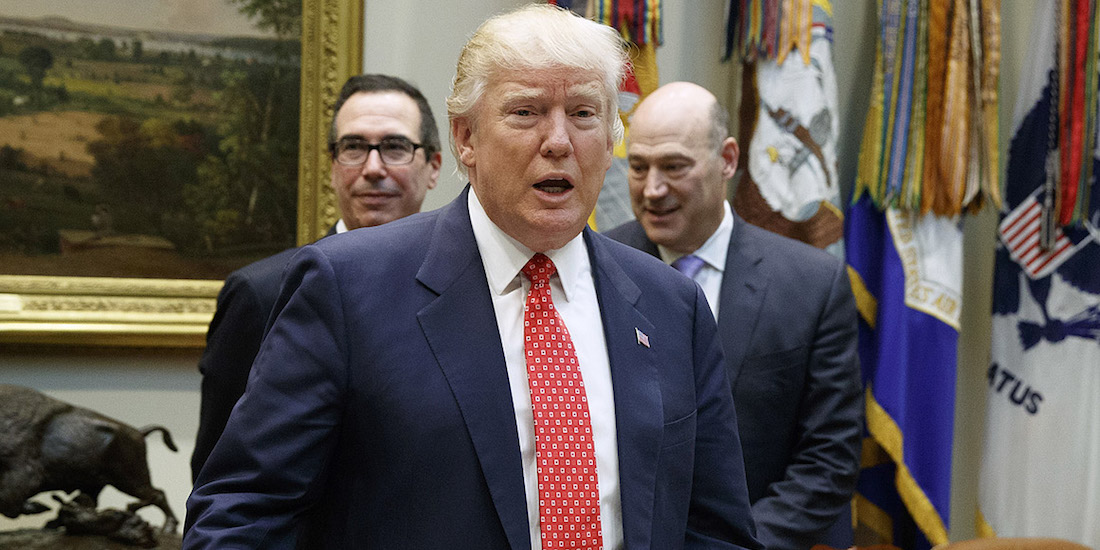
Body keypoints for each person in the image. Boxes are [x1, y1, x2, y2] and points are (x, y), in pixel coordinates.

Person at [184, 6, 763, 549]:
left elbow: (715, 528)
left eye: (585, 113)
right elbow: (243, 513)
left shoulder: (672, 306)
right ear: (465, 138)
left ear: (612, 134)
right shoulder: (345, 286)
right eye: (526, 112)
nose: (558, 141)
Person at [606, 81, 862, 550]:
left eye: (674, 166)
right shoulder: (599, 265)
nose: (652, 189)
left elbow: (829, 460)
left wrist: (735, 545)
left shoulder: (812, 285)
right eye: (638, 167)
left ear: (727, 159)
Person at [189, 73, 442, 481]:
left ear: (433, 166)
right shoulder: (263, 294)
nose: (373, 168)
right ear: (332, 166)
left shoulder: (467, 289)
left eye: (395, 147)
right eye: (354, 147)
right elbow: (222, 480)